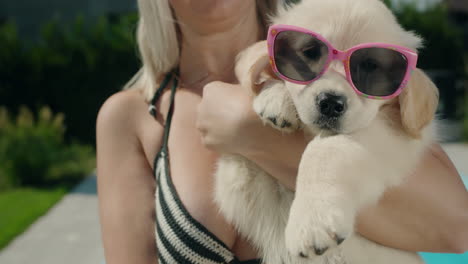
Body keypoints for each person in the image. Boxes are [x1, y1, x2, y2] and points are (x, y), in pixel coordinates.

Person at [96, 0, 468, 263]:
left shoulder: (368, 71)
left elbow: (457, 230)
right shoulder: (129, 117)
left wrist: (254, 133)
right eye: (308, 56)